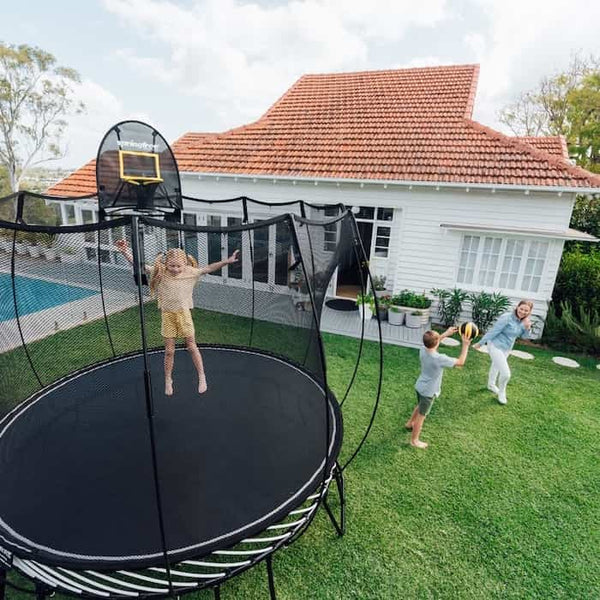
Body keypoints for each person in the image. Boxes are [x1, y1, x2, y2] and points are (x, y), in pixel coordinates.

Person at [115, 240, 239, 396]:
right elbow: (140, 266)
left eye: (178, 266)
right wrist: (125, 251)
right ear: (166, 264)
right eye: (172, 266)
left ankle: (202, 376)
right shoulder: (160, 272)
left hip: (184, 315)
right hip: (167, 316)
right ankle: (168, 379)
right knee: (169, 351)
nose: (175, 269)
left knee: (192, 346)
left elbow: (209, 268)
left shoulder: (190, 272)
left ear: (185, 264)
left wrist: (227, 261)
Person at [405, 327, 471, 449]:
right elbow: (461, 362)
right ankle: (414, 440)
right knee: (422, 416)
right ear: (436, 343)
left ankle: (410, 423)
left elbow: (433, 343)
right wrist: (465, 345)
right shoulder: (439, 358)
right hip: (428, 391)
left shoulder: (423, 350)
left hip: (420, 386)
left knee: (420, 405)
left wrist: (445, 334)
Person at [473, 300, 533, 405]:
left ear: (529, 312)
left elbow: (524, 337)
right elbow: (494, 331)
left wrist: (527, 328)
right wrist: (481, 343)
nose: (523, 312)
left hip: (507, 348)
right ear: (517, 307)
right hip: (495, 345)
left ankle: (491, 385)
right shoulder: (507, 317)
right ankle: (502, 393)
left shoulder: (524, 321)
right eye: (521, 309)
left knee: (496, 366)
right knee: (506, 374)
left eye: (526, 310)